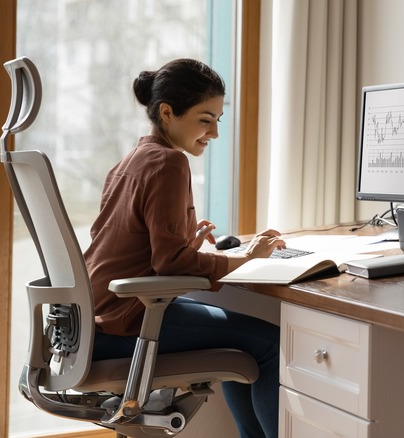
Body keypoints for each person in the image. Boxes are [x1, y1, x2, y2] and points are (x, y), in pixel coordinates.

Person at [84, 58, 284, 438]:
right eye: (205, 120)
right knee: (270, 345)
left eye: (218, 121)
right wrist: (245, 256)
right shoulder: (170, 162)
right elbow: (170, 261)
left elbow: (142, 251)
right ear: (167, 112)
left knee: (247, 349)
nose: (214, 133)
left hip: (96, 318)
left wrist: (186, 247)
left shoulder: (132, 159)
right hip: (128, 322)